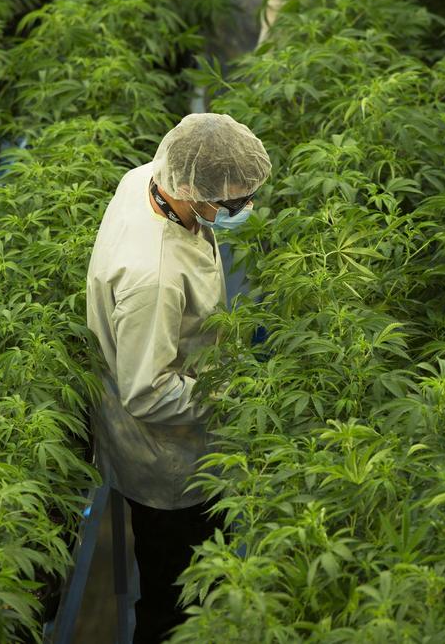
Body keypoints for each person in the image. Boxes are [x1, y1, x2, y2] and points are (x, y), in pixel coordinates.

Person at [85, 113, 271, 643]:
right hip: (166, 458)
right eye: (232, 203)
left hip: (179, 392)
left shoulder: (149, 178)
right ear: (191, 189)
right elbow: (149, 391)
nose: (242, 209)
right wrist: (230, 399)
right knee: (178, 595)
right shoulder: (154, 276)